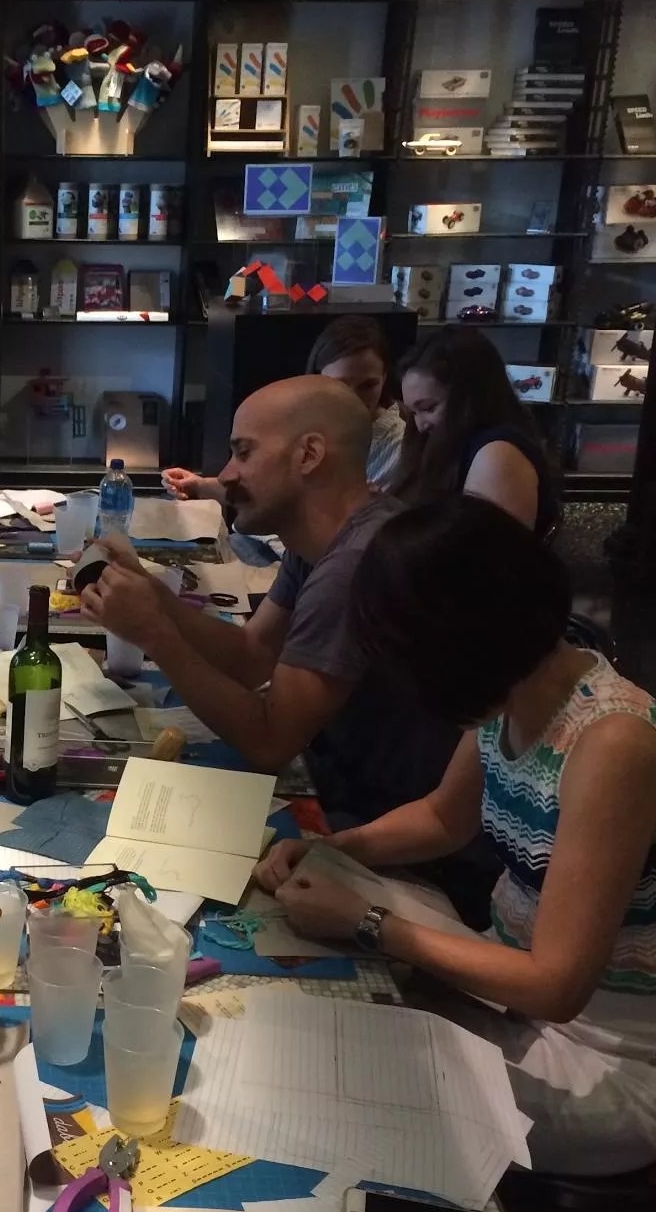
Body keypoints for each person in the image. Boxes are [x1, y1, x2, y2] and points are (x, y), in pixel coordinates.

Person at [257, 496, 656, 1176]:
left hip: (602, 1057)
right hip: (509, 986)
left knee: (339, 1072)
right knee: (323, 975)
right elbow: (444, 818)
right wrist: (333, 850)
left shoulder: (613, 745)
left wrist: (370, 922)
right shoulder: (519, 687)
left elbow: (557, 986)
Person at [81, 376, 477, 858]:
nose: (226, 475)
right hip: (344, 786)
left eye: (243, 453)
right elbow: (251, 657)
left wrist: (155, 635)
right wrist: (152, 593)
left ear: (309, 455)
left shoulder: (355, 566)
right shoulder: (322, 541)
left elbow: (270, 741)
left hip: (379, 826)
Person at [162, 315, 405, 502]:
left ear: (385, 378)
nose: (353, 398)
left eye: (368, 385)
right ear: (316, 377)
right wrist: (199, 485)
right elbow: (261, 487)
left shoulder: (398, 449)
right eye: (340, 384)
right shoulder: (298, 419)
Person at [389, 328, 560, 536]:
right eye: (413, 413)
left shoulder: (497, 456)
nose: (420, 426)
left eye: (428, 408)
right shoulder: (459, 450)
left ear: (469, 397)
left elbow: (484, 552)